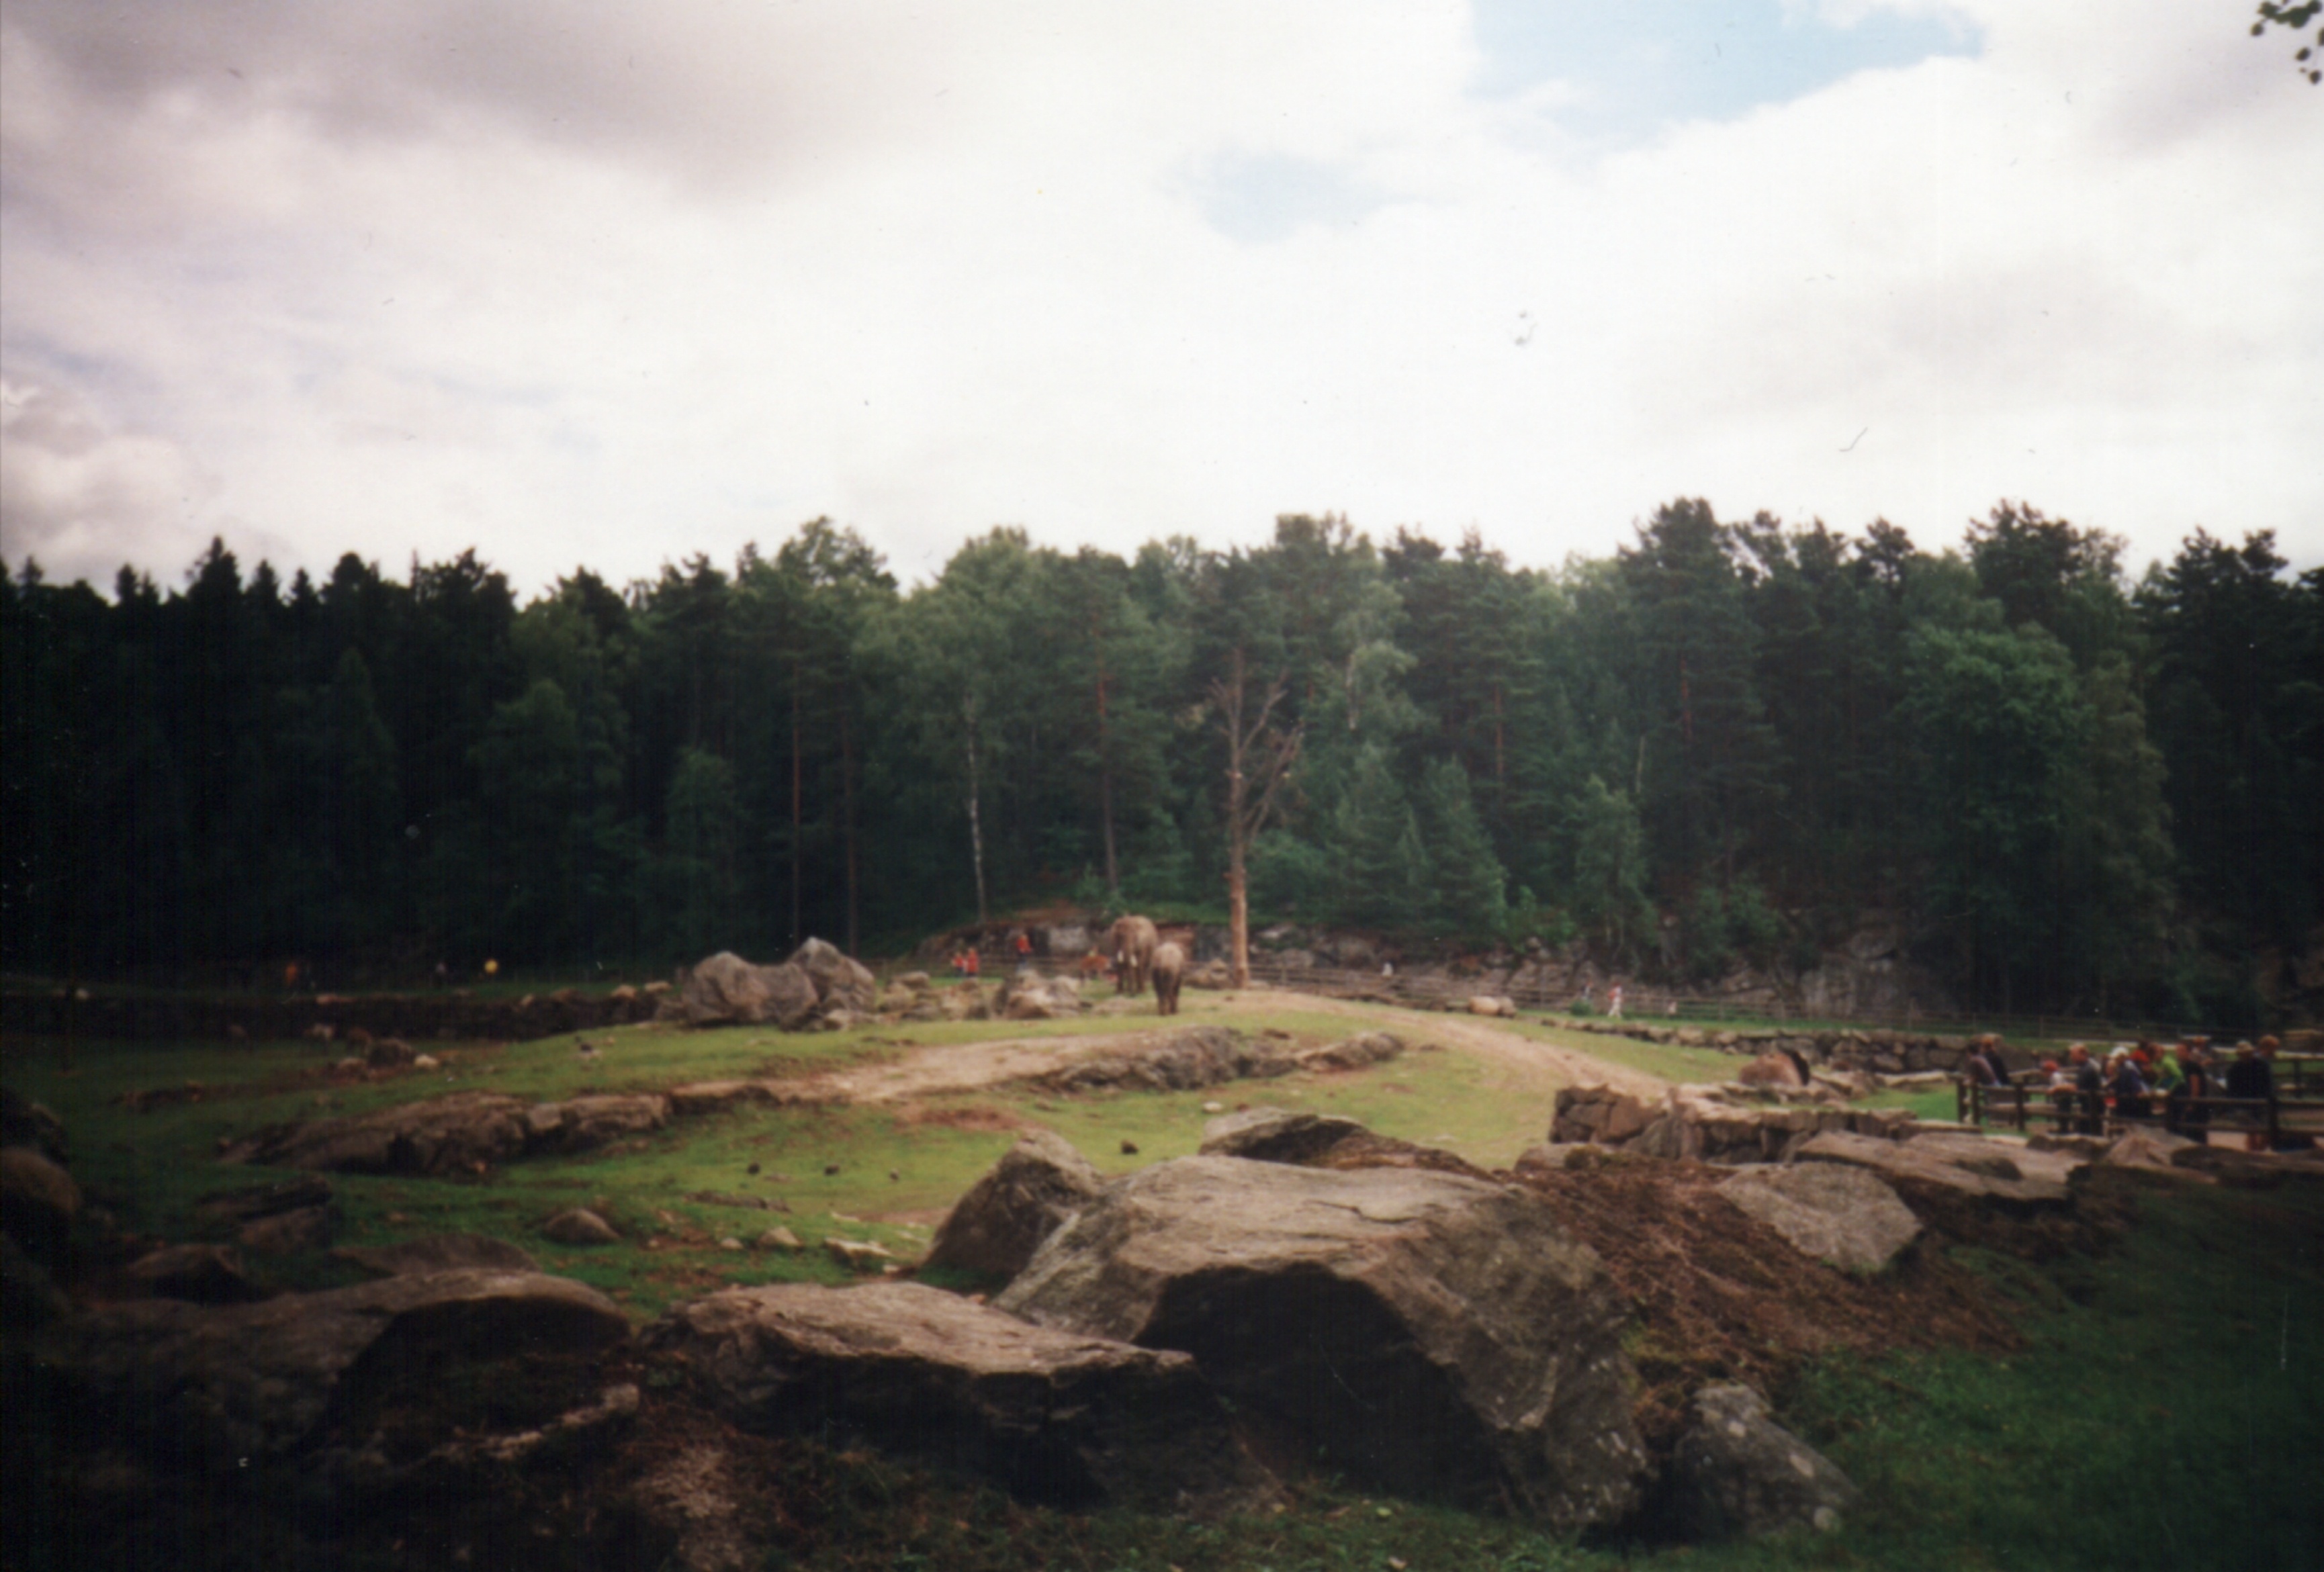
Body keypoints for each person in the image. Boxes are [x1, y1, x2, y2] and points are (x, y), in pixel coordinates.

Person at [2225, 1040, 2275, 1150]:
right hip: (2243, 1106)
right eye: (2243, 1054)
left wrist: (2268, 1099)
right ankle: (2253, 1153)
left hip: (2261, 1103)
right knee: (2252, 1131)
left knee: (2268, 1132)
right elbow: (2231, 1091)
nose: (2246, 1056)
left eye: (2247, 1053)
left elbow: (2269, 1084)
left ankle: (2258, 1152)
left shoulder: (2262, 1065)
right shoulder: (2234, 1069)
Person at [2108, 1049, 2150, 1123]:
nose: (2115, 1060)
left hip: (2126, 1103)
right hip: (2124, 1103)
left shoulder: (2127, 1070)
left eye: (2117, 1059)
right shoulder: (2123, 1070)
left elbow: (2135, 1085)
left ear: (2122, 1058)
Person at [2070, 1044, 2105, 1135]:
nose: (2072, 1058)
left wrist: (2058, 1088)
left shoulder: (2088, 1069)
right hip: (2089, 1107)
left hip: (2093, 1108)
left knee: (2090, 1133)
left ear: (2083, 1055)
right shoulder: (2085, 1068)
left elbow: (2075, 1087)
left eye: (2073, 1055)